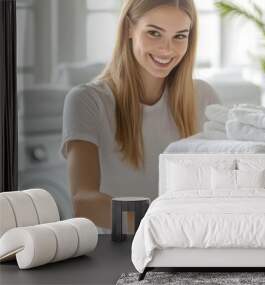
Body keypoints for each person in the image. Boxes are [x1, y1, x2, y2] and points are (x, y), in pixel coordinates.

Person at [60, 0, 220, 230]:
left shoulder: (204, 97)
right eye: (154, 33)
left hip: (185, 247)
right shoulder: (87, 100)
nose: (167, 49)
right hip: (115, 251)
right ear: (128, 29)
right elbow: (84, 202)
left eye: (180, 36)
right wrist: (166, 225)